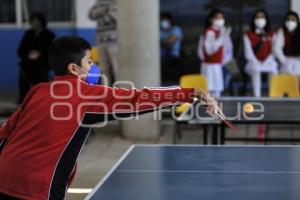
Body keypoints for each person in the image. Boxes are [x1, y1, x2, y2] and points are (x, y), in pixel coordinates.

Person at [0, 36, 220, 200]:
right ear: (74, 68)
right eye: (90, 62)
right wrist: (191, 93)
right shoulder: (84, 94)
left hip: (4, 174)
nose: (94, 67)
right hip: (37, 186)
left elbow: (7, 130)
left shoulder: (38, 90)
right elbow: (138, 98)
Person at [17, 12, 55, 103]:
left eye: (36, 21)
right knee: (24, 72)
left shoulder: (49, 35)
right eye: (33, 21)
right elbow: (21, 50)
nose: (34, 23)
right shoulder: (28, 34)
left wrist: (39, 54)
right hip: (29, 61)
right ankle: (24, 99)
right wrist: (29, 55)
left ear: (41, 22)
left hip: (43, 62)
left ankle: (42, 97)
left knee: (40, 71)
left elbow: (51, 51)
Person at [198, 8, 233, 97]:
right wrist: (222, 37)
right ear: (211, 19)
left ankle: (216, 108)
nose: (220, 20)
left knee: (218, 89)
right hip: (208, 65)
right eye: (217, 18)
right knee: (208, 89)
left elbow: (228, 48)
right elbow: (209, 51)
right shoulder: (209, 31)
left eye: (221, 18)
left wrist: (223, 61)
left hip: (218, 65)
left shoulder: (222, 31)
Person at [244, 9, 278, 97]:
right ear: (253, 20)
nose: (260, 19)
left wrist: (267, 61)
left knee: (274, 71)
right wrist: (257, 62)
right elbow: (248, 53)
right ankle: (257, 97)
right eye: (257, 17)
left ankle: (273, 95)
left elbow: (274, 50)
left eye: (262, 17)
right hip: (254, 62)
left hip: (268, 61)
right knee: (256, 71)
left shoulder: (272, 34)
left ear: (266, 19)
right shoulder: (248, 35)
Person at [89, 0, 118, 86]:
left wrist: (101, 12)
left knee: (116, 67)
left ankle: (120, 91)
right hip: (100, 40)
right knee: (103, 68)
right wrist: (105, 10)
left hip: (114, 40)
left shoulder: (117, 2)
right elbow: (91, 14)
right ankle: (105, 91)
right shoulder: (99, 2)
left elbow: (117, 17)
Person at [273, 11, 300, 76]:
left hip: (298, 60)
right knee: (286, 80)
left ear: (297, 21)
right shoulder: (281, 31)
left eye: (293, 20)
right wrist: (283, 60)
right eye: (288, 20)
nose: (290, 22)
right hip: (285, 59)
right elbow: (277, 48)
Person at [160, 13, 183, 84]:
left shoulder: (176, 29)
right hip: (160, 58)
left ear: (170, 21)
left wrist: (162, 42)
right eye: (161, 20)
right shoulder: (160, 31)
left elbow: (169, 41)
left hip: (173, 58)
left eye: (164, 20)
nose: (162, 22)